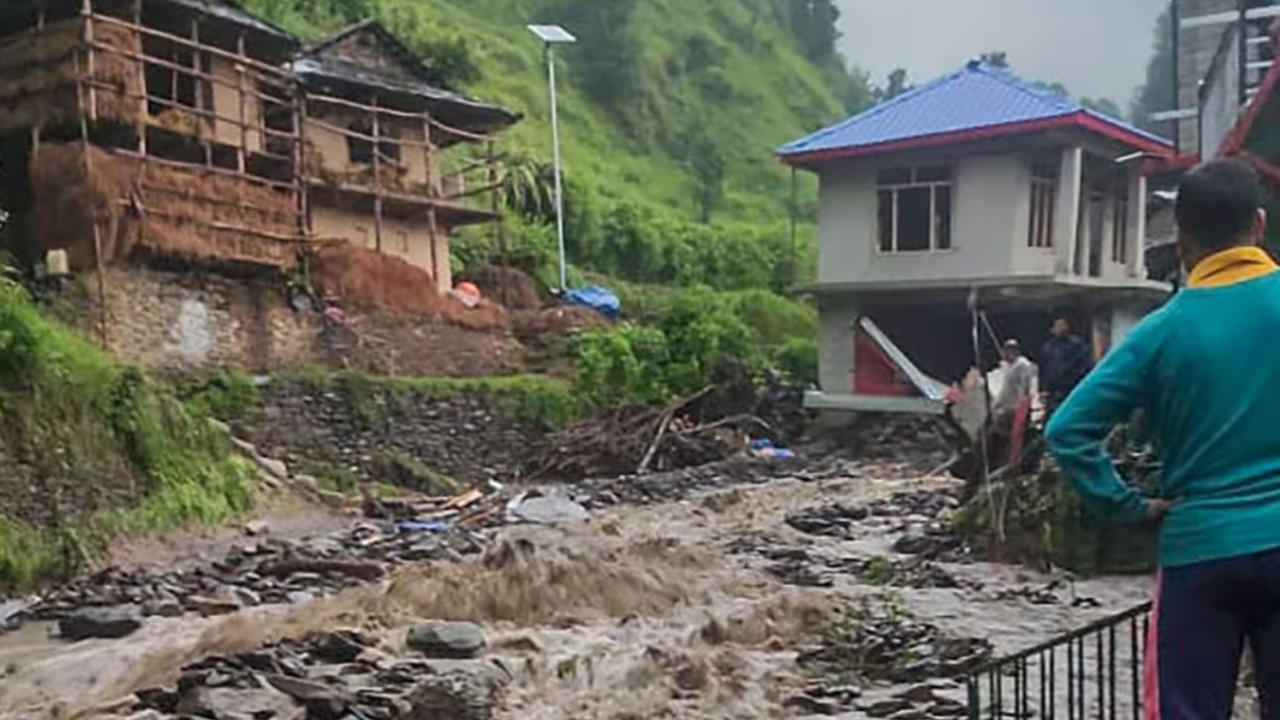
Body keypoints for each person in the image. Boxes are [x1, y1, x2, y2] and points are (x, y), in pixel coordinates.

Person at [1045, 158, 1280, 720]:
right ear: (1260, 224)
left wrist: (1128, 506)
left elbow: (1067, 430)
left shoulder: (1160, 332)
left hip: (1198, 551)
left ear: (1182, 242)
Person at [1039, 316, 1090, 415]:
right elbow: (1043, 370)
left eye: (1063, 325)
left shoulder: (1077, 344)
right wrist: (1044, 389)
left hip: (1072, 388)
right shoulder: (1048, 348)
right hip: (1054, 392)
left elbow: (1085, 365)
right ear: (1052, 330)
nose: (1062, 328)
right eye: (1058, 326)